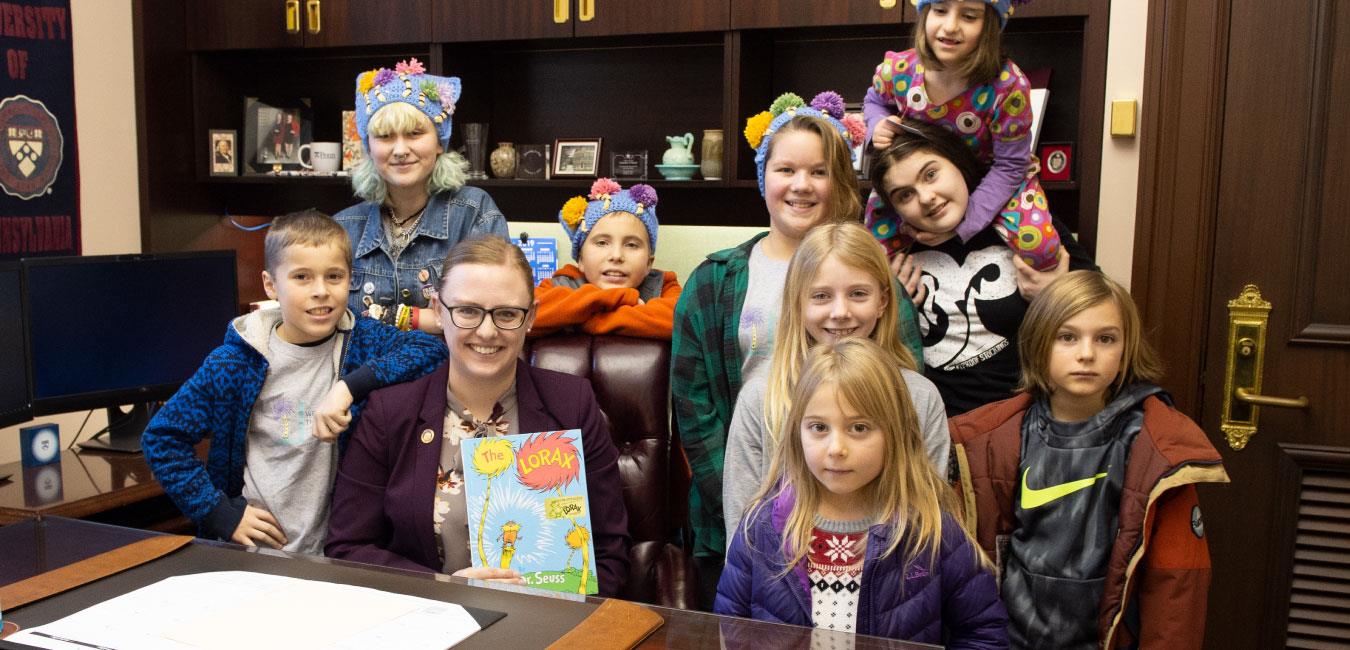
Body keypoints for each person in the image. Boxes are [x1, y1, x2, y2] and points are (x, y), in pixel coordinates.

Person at [671, 91, 908, 598]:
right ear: (765, 178)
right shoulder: (714, 281)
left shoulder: (877, 281)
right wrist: (755, 517)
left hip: (865, 524)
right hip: (742, 512)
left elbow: (905, 394)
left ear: (839, 180)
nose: (801, 185)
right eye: (786, 170)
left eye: (819, 171)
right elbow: (695, 412)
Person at [325, 237, 631, 596]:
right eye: (468, 311)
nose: (487, 331)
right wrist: (445, 589)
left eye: (506, 314)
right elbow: (347, 549)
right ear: (438, 310)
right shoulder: (390, 413)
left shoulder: (571, 405)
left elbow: (610, 555)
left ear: (530, 316)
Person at [948, 271, 1230, 648]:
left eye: (1106, 339)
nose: (1086, 354)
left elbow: (1177, 585)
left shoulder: (1158, 452)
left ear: (1126, 348)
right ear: (1038, 343)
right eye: (1067, 337)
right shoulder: (990, 441)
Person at [142, 210, 448, 554]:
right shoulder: (236, 362)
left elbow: (431, 350)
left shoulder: (362, 342)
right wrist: (218, 513)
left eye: (334, 276)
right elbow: (162, 438)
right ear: (271, 284)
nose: (321, 292)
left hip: (336, 557)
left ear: (351, 280)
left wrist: (348, 387)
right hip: (252, 557)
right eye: (302, 277)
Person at [716, 338, 1008, 646]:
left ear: (895, 433)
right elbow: (730, 628)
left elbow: (983, 633)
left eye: (859, 428)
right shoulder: (762, 527)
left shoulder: (931, 531)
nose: (836, 449)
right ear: (796, 432)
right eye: (818, 427)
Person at [722, 222, 949, 542]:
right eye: (821, 296)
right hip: (780, 585)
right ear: (797, 303)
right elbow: (741, 529)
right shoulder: (761, 397)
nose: (840, 312)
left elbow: (931, 523)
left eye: (858, 294)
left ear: (883, 301)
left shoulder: (919, 397)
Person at [870, 120, 1095, 415]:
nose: (926, 198)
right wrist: (897, 312)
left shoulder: (1026, 226)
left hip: (1029, 421)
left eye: (931, 174)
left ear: (957, 163)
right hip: (939, 428)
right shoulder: (894, 256)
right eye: (905, 195)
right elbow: (871, 356)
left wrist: (1059, 293)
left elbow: (1105, 313)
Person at [864, 0, 1060, 271]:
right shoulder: (899, 70)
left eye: (969, 16)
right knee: (872, 256)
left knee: (1042, 248)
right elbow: (874, 99)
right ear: (925, 13)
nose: (950, 26)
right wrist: (877, 124)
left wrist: (967, 221)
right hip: (921, 177)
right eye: (940, 10)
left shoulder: (1008, 86)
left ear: (989, 27)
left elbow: (1010, 165)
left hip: (994, 176)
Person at [337, 58, 508, 336]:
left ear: (440, 141)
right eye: (385, 136)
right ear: (370, 147)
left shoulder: (474, 212)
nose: (400, 149)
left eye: (415, 134)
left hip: (446, 375)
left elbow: (492, 311)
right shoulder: (343, 227)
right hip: (358, 375)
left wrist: (404, 317)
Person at [530, 179, 681, 339]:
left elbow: (681, 322)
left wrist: (584, 318)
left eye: (631, 245)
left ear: (648, 264)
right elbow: (523, 317)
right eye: (602, 243)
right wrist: (617, 298)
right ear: (580, 259)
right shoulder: (563, 282)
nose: (616, 256)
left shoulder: (663, 285)